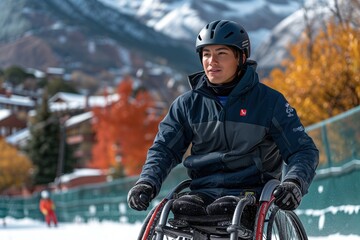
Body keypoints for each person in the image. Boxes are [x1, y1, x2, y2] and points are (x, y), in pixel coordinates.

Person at [127, 20, 319, 228]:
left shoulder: (270, 102)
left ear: (241, 58)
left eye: (221, 54)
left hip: (251, 194)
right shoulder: (187, 104)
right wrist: (146, 182)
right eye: (206, 54)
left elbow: (302, 150)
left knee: (228, 209)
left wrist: (294, 182)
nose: (212, 61)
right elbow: (164, 149)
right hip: (201, 193)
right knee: (176, 209)